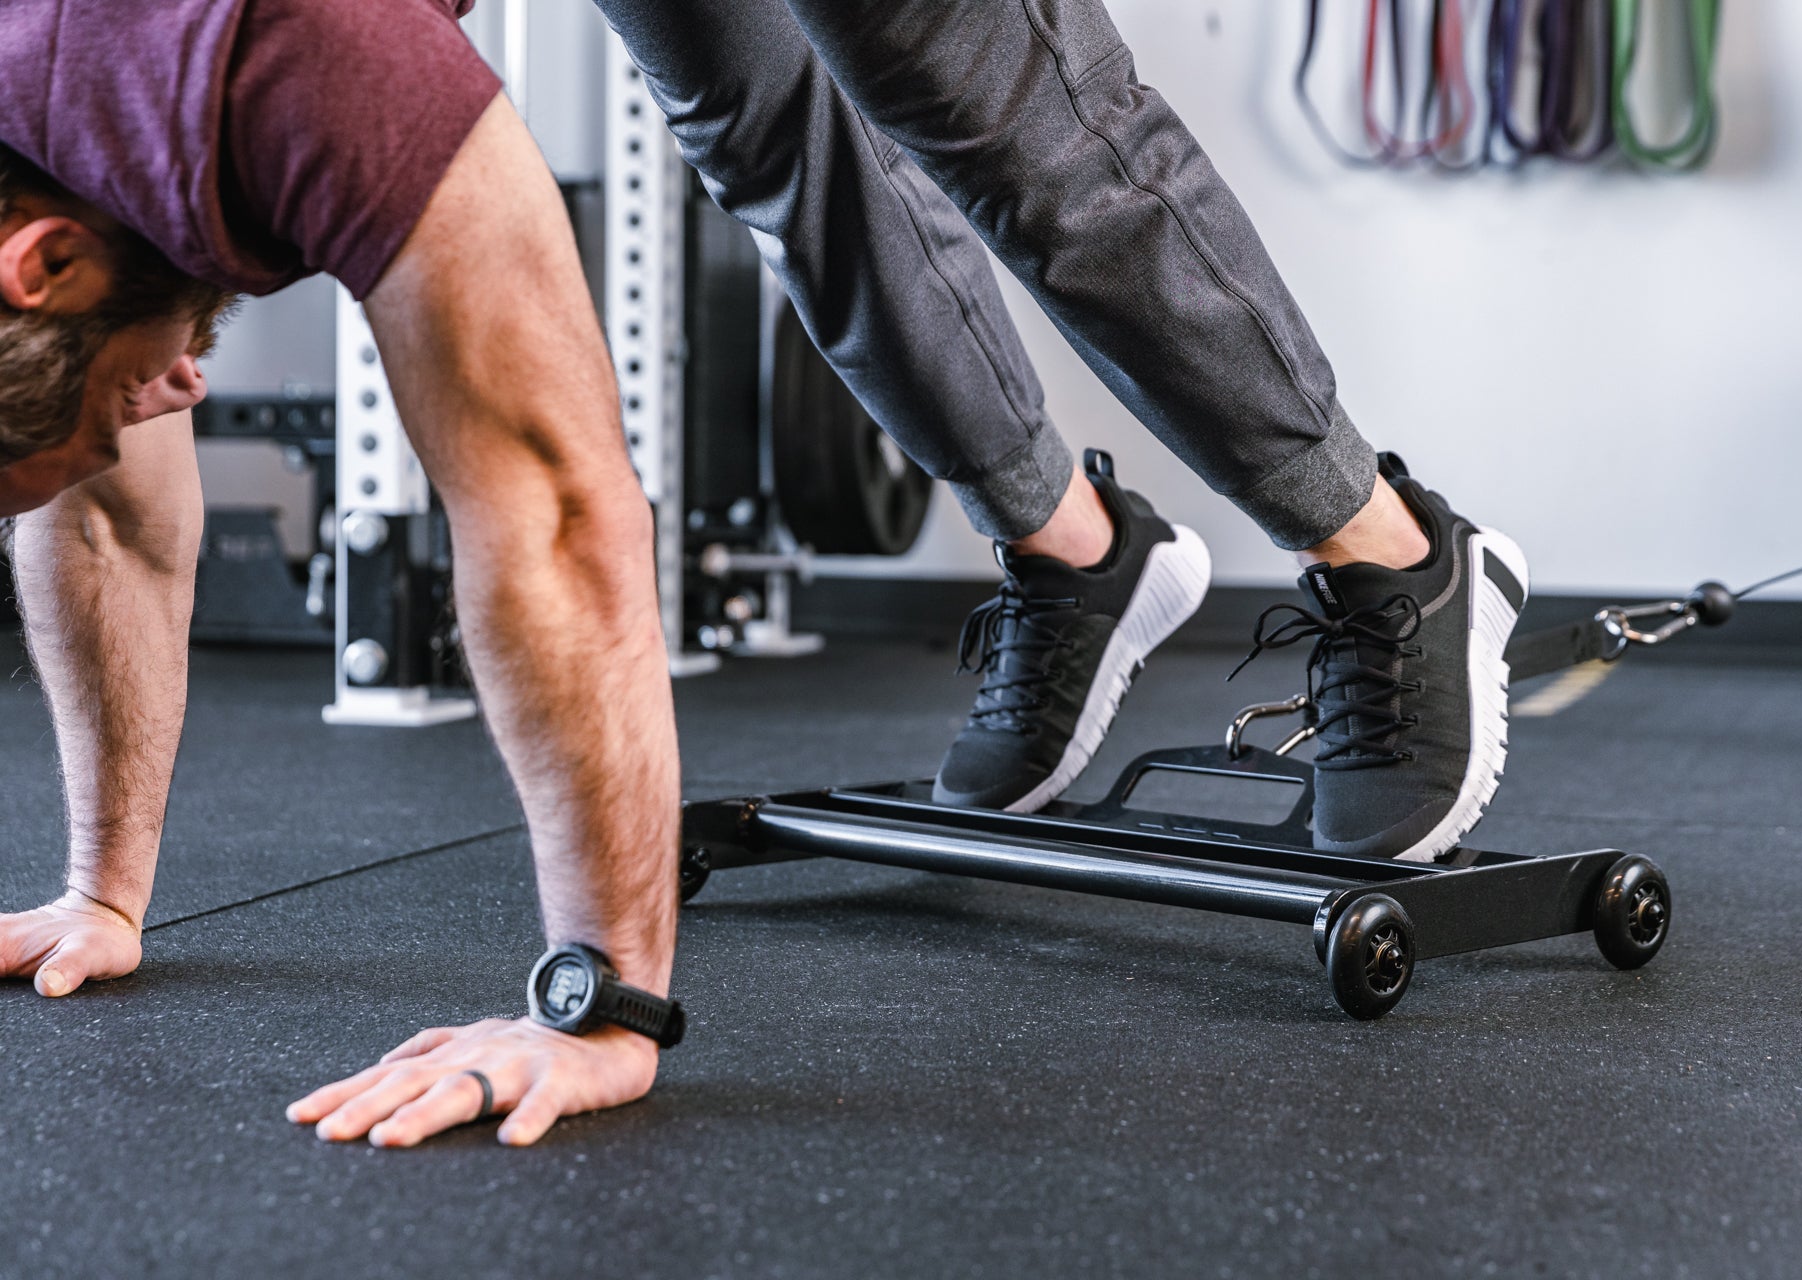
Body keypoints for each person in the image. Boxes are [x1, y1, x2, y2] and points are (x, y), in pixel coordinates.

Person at [0, 0, 1526, 1149]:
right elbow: (105, 502)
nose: (158, 413)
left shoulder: (310, 70)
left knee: (1004, 110)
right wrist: (100, 894)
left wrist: (603, 1001)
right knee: (765, 136)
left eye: (90, 412)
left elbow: (553, 510)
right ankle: (1083, 552)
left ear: (44, 265)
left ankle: (1398, 560)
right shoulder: (40, 163)